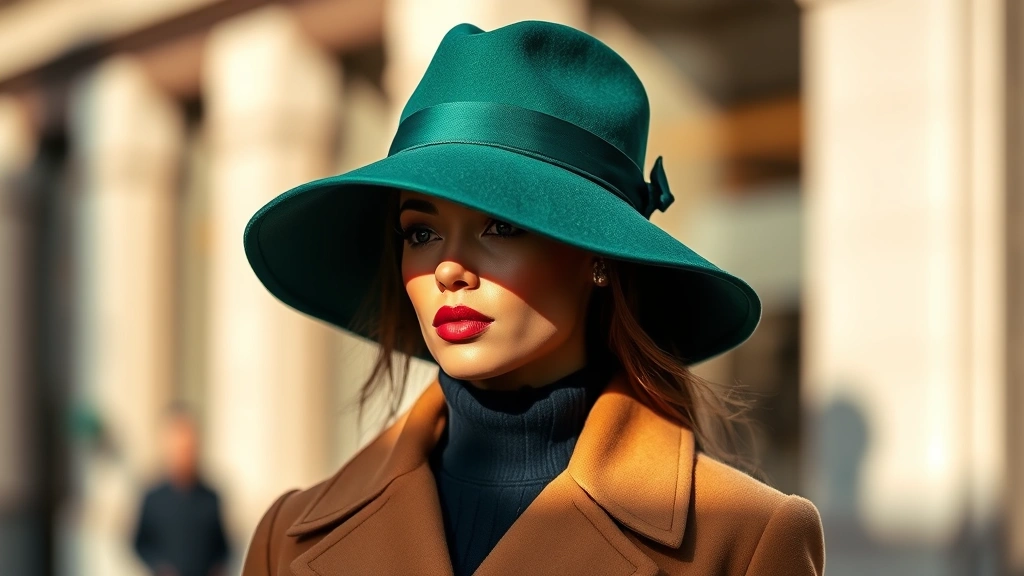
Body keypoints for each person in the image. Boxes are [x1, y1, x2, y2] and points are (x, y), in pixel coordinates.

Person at [239, 20, 824, 576]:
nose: (448, 268)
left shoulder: (745, 539)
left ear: (598, 255)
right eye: (421, 232)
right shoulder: (287, 538)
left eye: (501, 226)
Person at [133, 407, 230, 576]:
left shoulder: (210, 497)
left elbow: (223, 547)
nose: (185, 456)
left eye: (189, 449)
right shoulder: (153, 498)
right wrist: (159, 567)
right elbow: (140, 543)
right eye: (180, 450)